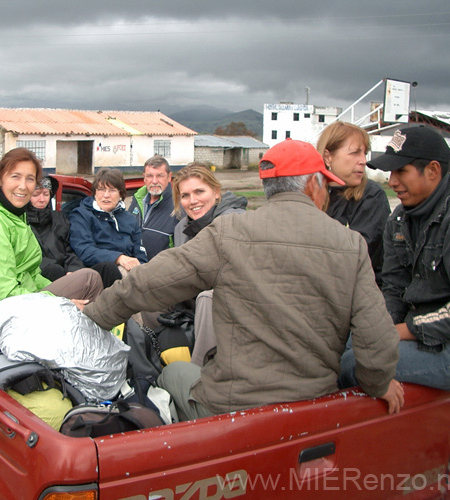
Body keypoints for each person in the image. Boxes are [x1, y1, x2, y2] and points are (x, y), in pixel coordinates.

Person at [81, 139, 404, 420]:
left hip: (233, 408)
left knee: (171, 373)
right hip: (314, 404)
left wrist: (94, 315)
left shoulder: (230, 232)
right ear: (312, 186)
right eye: (326, 186)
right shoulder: (351, 245)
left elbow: (150, 282)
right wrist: (378, 384)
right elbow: (377, 342)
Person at [340, 125, 450, 394]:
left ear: (433, 171)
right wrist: (381, 329)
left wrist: (399, 332)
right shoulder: (399, 219)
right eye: (390, 172)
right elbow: (394, 287)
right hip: (414, 333)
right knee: (340, 346)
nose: (392, 181)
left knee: (356, 363)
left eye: (401, 171)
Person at [0, 148, 103, 309]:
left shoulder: (13, 214)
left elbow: (30, 275)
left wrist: (55, 292)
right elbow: (2, 293)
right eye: (15, 177)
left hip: (22, 293)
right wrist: (61, 304)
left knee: (91, 277)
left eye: (30, 179)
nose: (23, 186)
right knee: (88, 283)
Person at [172, 162, 248, 365]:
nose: (192, 201)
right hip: (193, 301)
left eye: (199, 191)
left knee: (208, 298)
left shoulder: (235, 221)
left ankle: (201, 372)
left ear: (216, 192)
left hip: (236, 304)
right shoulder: (181, 228)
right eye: (185, 195)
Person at [317, 121, 390, 286]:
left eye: (364, 153)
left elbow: (359, 256)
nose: (363, 161)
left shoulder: (372, 196)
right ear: (328, 156)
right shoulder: (311, 193)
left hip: (358, 291)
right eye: (355, 153)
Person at [69, 168, 148, 287]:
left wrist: (141, 268)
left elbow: (140, 253)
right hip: (97, 273)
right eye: (101, 190)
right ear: (94, 192)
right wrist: (118, 258)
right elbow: (84, 250)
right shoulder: (81, 215)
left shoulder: (130, 219)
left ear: (121, 194)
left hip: (128, 271)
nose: (106, 195)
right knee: (113, 269)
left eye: (112, 190)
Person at [25, 176, 85, 281]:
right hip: (37, 280)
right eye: (36, 194)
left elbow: (70, 250)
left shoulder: (59, 219)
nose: (42, 199)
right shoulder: (19, 221)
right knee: (54, 270)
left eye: (46, 194)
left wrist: (73, 269)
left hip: (65, 275)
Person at [129, 155, 178, 259]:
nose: (154, 181)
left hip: (162, 271)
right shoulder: (137, 200)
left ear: (169, 177)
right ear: (144, 178)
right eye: (150, 176)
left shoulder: (178, 205)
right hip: (134, 267)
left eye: (160, 176)